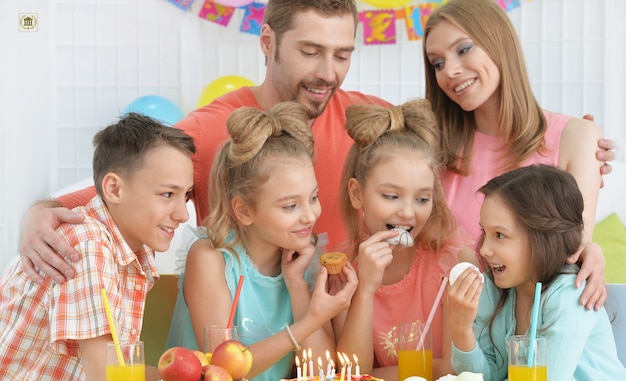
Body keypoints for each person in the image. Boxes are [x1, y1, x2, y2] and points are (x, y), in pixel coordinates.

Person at [16, 0, 616, 293]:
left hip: (367, 330)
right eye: (309, 51)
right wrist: (36, 214)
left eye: (342, 54)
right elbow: (108, 194)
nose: (326, 72)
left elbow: (472, 148)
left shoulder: (370, 121)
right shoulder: (213, 128)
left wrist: (573, 143)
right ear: (268, 41)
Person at [0, 113, 195, 381]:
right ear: (114, 188)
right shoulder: (89, 243)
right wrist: (159, 377)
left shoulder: (132, 252)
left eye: (186, 197)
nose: (181, 213)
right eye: (168, 194)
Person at [422, 0, 608, 309]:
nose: (450, 71)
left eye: (463, 49)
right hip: (452, 334)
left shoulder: (577, 138)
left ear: (499, 43)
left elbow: (574, 249)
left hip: (535, 336)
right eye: (437, 63)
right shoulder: (430, 149)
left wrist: (592, 250)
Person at [166, 101, 358, 381]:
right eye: (290, 206)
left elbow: (321, 374)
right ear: (244, 211)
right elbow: (223, 372)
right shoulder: (212, 259)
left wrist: (295, 286)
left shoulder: (302, 258)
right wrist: (311, 321)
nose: (309, 215)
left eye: (313, 198)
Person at [447, 164, 626, 381]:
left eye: (500, 235)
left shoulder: (571, 295)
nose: (485, 249)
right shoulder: (500, 292)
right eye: (485, 233)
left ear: (542, 237)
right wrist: (461, 329)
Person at [334, 99, 472, 381]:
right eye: (391, 196)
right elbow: (352, 377)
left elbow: (450, 370)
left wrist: (376, 376)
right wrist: (366, 288)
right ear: (357, 194)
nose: (408, 213)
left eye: (422, 199)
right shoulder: (341, 271)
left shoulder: (448, 265)